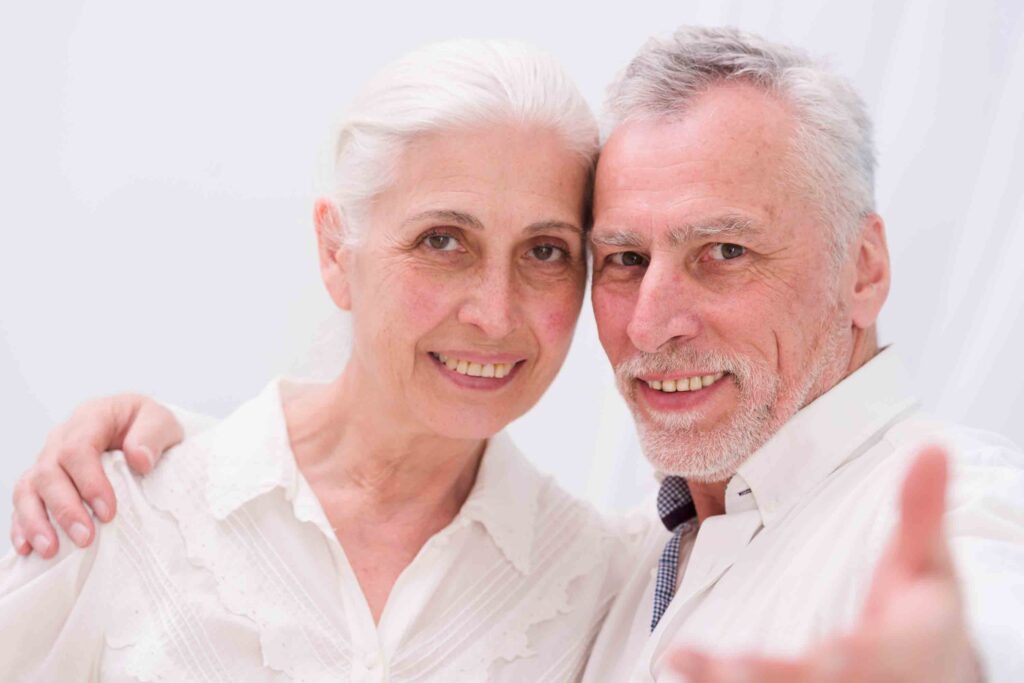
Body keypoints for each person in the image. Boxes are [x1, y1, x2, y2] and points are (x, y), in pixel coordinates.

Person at [10, 26, 1024, 683]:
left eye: (724, 251)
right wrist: (184, 456)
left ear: (865, 266)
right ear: (335, 250)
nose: (652, 319)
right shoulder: (639, 562)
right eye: (622, 257)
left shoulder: (938, 516)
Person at [0, 39, 636, 682]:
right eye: (442, 241)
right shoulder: (119, 512)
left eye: (546, 251)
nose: (495, 314)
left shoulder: (605, 589)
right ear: (336, 252)